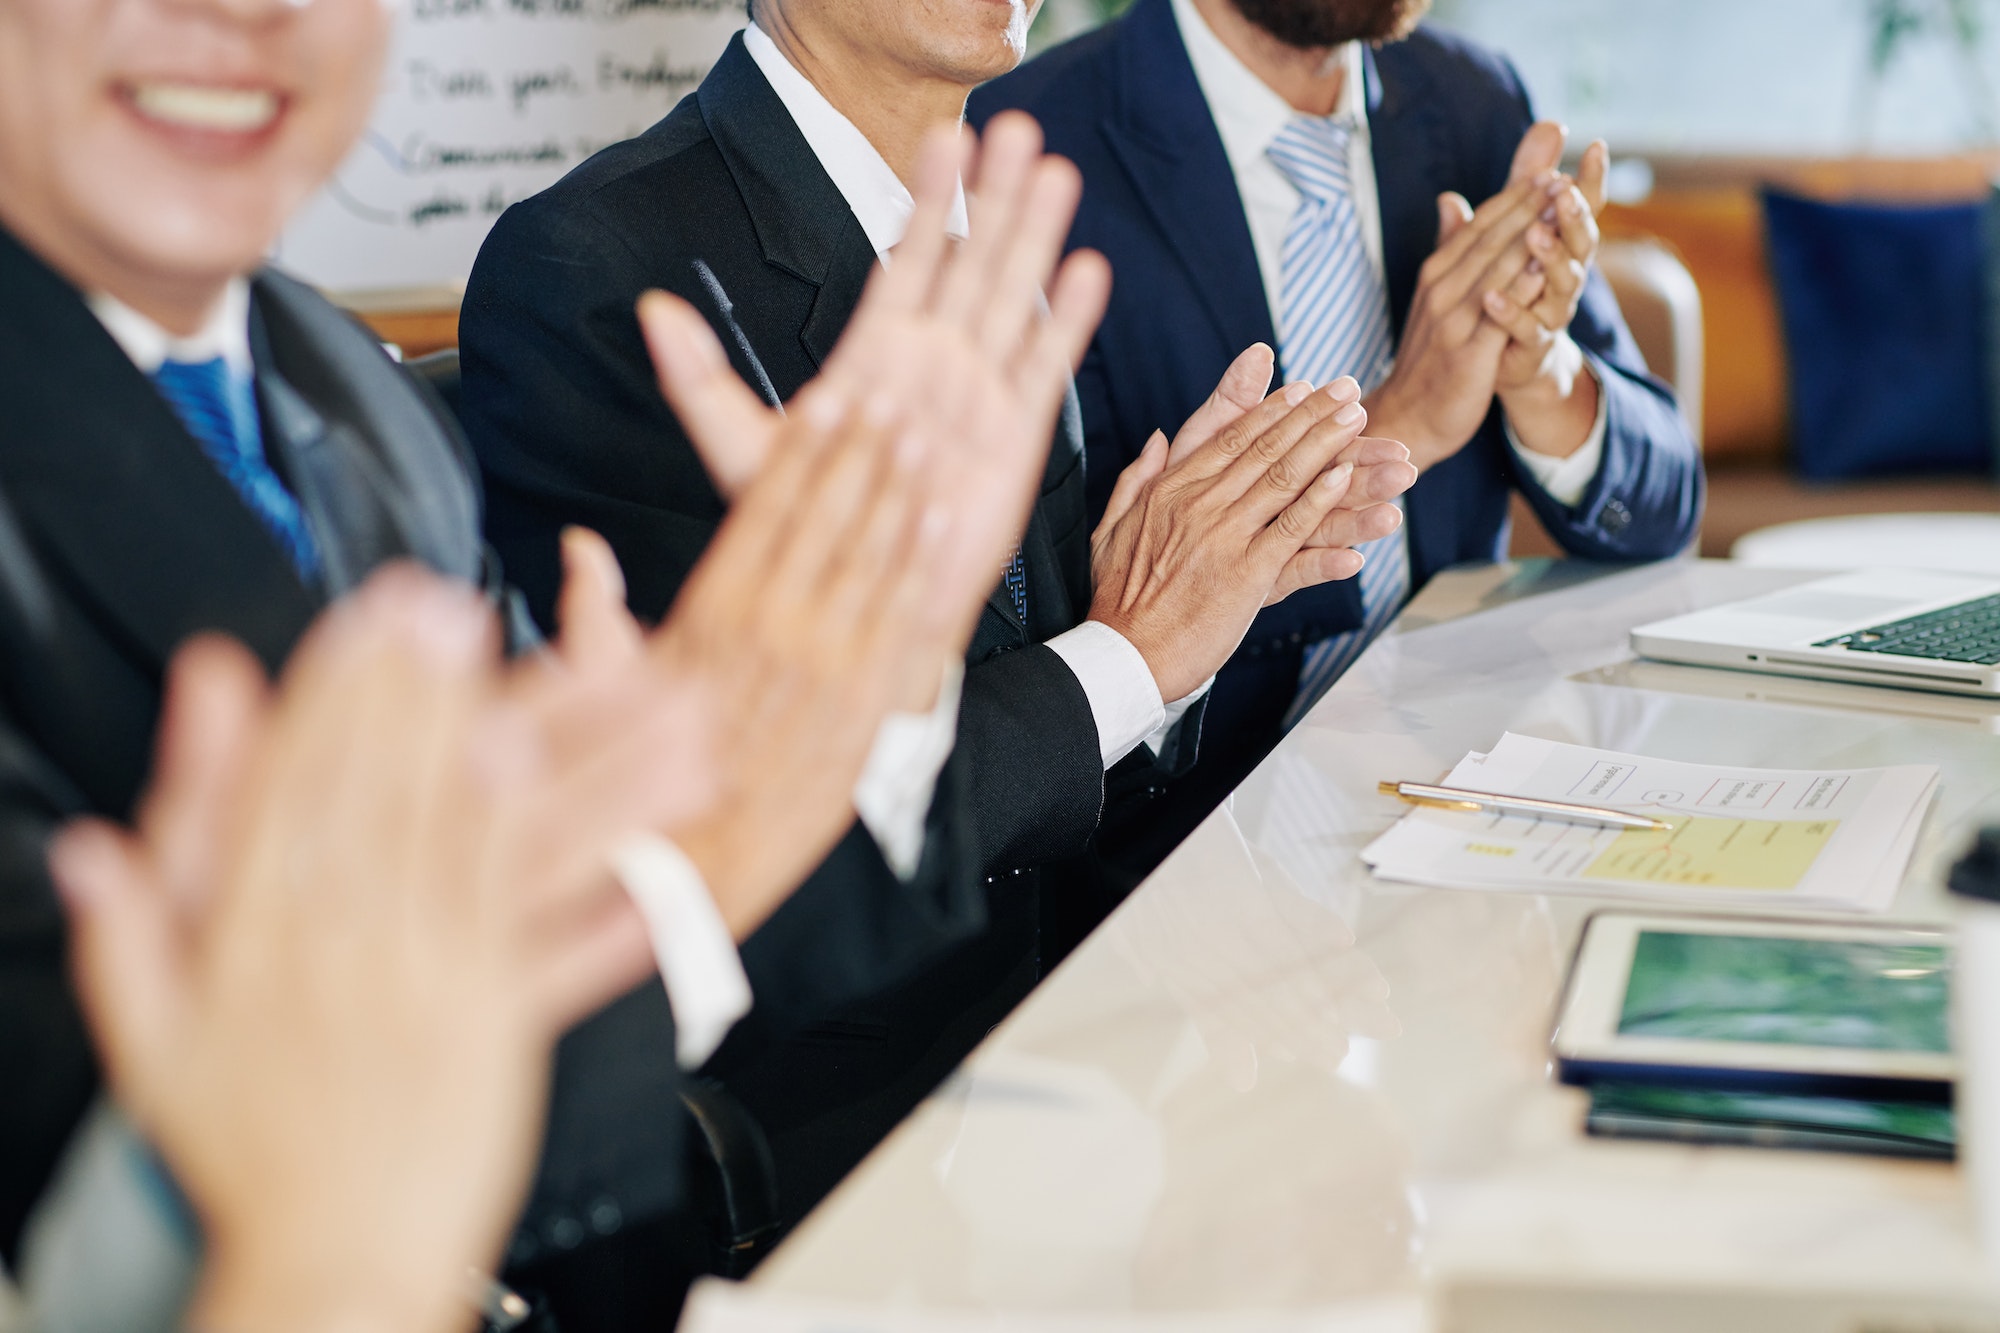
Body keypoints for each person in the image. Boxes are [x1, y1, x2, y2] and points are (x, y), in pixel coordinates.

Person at [0, 0, 1118, 1321]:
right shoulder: (575, 270)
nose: (247, 16)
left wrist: (854, 672)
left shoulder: (344, 390)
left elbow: (564, 947)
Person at [455, 0, 1420, 1256]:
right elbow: (757, 837)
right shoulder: (598, 270)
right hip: (837, 1141)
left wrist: (1173, 615)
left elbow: (1045, 710)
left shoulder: (983, 241)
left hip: (1081, 1057)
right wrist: (1130, 654)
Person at [971, 0, 1706, 832]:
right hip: (1190, 833)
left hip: (1477, 783)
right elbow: (1063, 648)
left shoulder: (1475, 100)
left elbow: (1664, 510)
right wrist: (1402, 424)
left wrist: (1542, 369)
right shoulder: (1023, 141)